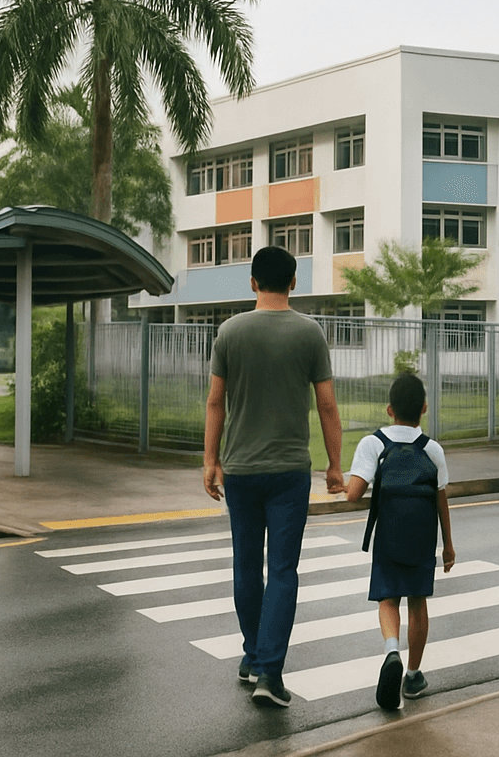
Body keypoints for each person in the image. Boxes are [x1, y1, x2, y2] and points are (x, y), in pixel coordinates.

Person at [204, 245, 344, 709]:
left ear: (252, 282)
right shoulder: (310, 334)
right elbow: (326, 405)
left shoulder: (228, 332)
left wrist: (211, 461)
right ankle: (270, 672)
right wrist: (334, 464)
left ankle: (251, 656)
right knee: (282, 569)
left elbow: (215, 403)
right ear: (293, 282)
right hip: (288, 472)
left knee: (246, 564)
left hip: (240, 470)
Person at [345, 372, 456, 711]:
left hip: (389, 532)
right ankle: (413, 674)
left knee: (388, 597)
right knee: (418, 601)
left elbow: (353, 495)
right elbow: (442, 501)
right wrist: (447, 546)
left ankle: (391, 650)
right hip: (423, 534)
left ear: (389, 410)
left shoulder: (373, 444)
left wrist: (338, 483)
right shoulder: (433, 450)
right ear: (424, 409)